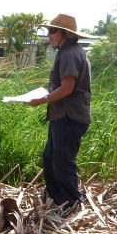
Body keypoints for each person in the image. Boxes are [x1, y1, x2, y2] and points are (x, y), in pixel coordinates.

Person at [27, 14, 92, 212]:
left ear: (65, 34)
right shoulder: (67, 51)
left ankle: (72, 203)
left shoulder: (70, 53)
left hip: (69, 117)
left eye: (53, 31)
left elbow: (67, 88)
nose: (50, 35)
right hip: (62, 116)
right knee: (51, 158)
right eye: (48, 31)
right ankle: (58, 199)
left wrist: (42, 100)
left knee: (62, 162)